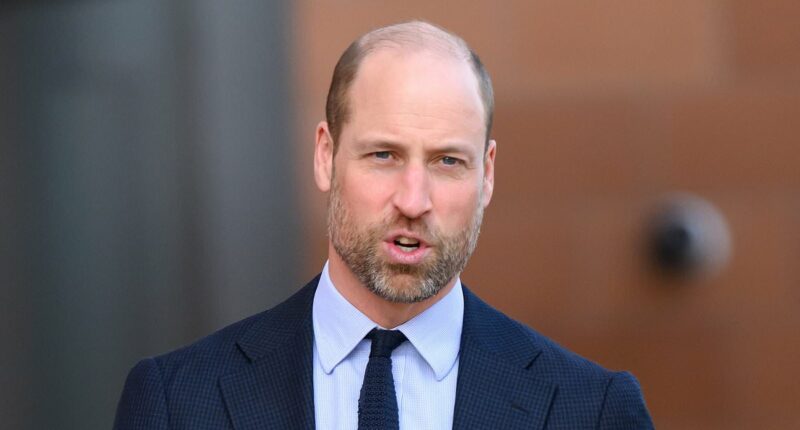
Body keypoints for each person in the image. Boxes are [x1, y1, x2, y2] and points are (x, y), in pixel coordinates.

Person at [114, 21, 654, 429]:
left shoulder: (592, 409)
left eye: (448, 161)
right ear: (325, 156)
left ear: (487, 174)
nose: (413, 201)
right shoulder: (177, 400)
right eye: (383, 155)